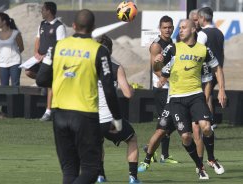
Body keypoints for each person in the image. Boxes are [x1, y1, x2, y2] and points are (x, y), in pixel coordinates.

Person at [36, 9, 122, 184]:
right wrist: (117, 118)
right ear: (93, 27)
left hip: (59, 114)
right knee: (91, 170)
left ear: (73, 26)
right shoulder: (99, 51)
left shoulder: (56, 47)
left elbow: (41, 79)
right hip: (85, 115)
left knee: (69, 171)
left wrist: (63, 78)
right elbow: (109, 88)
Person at [159, 19, 226, 179]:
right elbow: (159, 68)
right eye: (179, 28)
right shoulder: (173, 47)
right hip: (176, 99)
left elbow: (217, 68)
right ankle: (200, 166)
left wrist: (222, 90)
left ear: (193, 29)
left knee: (206, 127)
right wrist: (158, 66)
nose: (180, 31)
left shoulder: (203, 50)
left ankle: (211, 159)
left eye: (183, 28)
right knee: (185, 137)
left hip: (196, 95)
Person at [95, 35, 140, 183]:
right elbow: (127, 94)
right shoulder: (116, 67)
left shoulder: (87, 65)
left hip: (92, 119)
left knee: (98, 143)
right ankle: (133, 177)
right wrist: (132, 89)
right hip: (110, 119)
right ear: (110, 50)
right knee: (132, 139)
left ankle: (100, 175)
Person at [25, 1, 66, 121]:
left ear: (48, 11)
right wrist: (36, 53)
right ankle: (44, 81)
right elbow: (37, 39)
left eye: (43, 9)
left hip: (51, 60)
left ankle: (48, 111)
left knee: (50, 85)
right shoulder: (42, 24)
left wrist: (47, 56)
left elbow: (60, 45)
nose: (41, 11)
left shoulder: (59, 26)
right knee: (28, 72)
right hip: (40, 59)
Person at [145, 15, 178, 164]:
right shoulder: (156, 45)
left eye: (170, 27)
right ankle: (156, 151)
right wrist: (167, 79)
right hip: (161, 88)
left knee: (171, 121)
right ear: (160, 28)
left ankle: (160, 152)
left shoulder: (171, 42)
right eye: (165, 27)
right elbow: (155, 68)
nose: (168, 30)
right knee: (166, 121)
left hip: (170, 86)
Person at [197, 7, 225, 129]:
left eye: (198, 18)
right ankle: (210, 124)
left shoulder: (202, 34)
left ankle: (206, 125)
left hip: (205, 72)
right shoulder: (220, 32)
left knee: (204, 99)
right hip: (217, 72)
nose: (197, 21)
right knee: (208, 97)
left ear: (202, 18)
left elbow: (197, 53)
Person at [0, 12, 24, 118]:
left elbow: (21, 48)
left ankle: (16, 110)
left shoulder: (16, 33)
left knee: (15, 85)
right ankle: (4, 111)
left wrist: (13, 56)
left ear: (4, 22)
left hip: (15, 62)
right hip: (2, 64)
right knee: (4, 87)